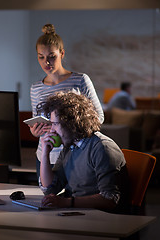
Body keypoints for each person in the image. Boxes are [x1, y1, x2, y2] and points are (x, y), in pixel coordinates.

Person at [29, 23, 104, 182]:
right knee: (47, 200)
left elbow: (98, 118)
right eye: (41, 57)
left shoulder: (80, 80)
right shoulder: (35, 88)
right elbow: (37, 122)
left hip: (75, 155)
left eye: (51, 56)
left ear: (62, 54)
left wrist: (68, 127)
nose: (46, 62)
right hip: (46, 156)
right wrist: (35, 132)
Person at [39, 91, 129, 213]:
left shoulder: (102, 147)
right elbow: (50, 189)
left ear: (71, 123)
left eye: (55, 124)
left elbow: (110, 199)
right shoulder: (70, 146)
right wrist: (45, 153)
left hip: (99, 217)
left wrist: (66, 202)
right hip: (77, 211)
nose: (52, 130)